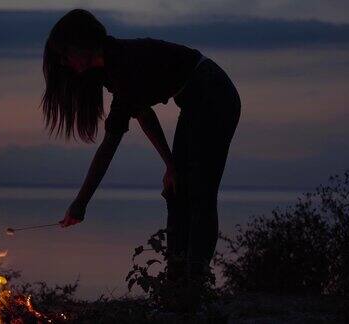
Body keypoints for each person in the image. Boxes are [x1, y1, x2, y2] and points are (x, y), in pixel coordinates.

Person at [41, 8, 241, 297]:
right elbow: (145, 115)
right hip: (197, 97)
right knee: (178, 190)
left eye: (65, 53)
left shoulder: (122, 64)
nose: (64, 61)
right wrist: (170, 164)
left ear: (80, 45)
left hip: (213, 93)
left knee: (200, 193)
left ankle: (192, 285)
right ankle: (178, 283)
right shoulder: (111, 70)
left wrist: (80, 203)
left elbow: (109, 146)